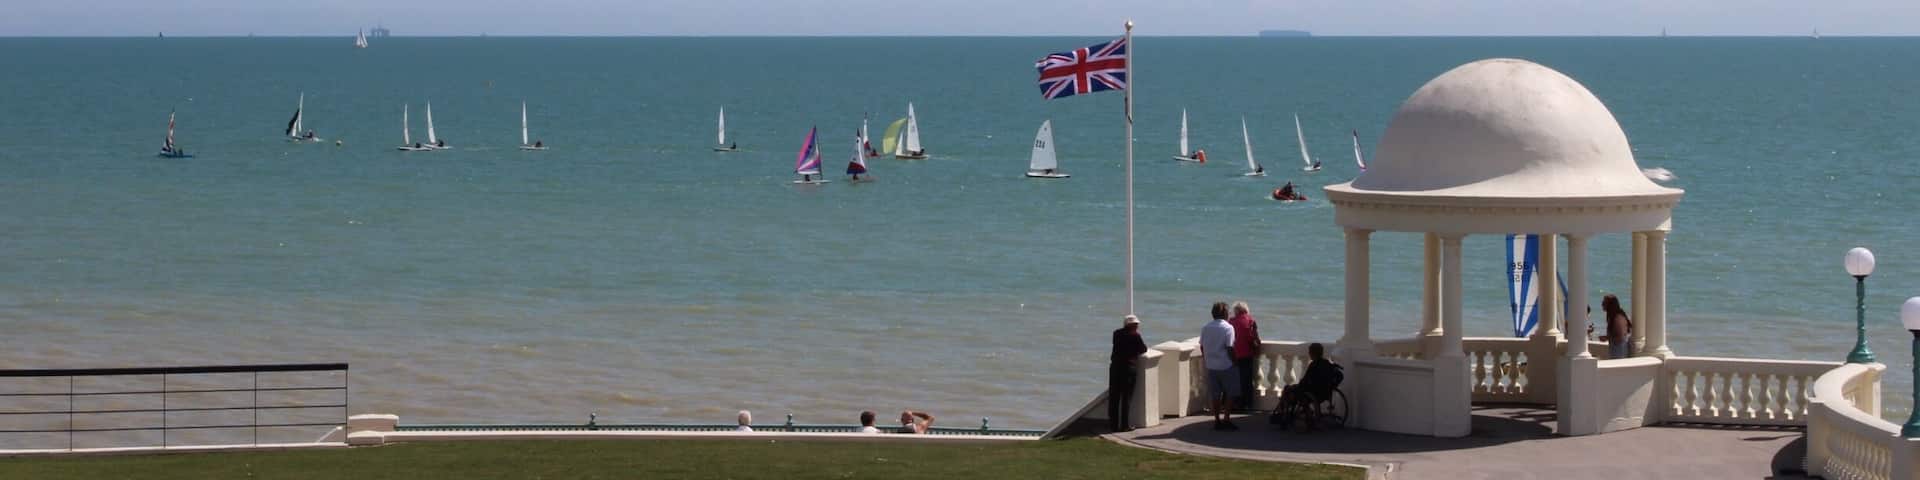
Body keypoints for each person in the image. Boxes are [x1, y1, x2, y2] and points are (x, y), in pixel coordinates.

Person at [1276, 343, 1344, 427]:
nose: (1309, 353)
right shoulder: (1327, 363)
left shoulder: (1314, 365)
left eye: (1310, 352)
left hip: (1313, 393)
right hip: (1324, 393)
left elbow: (1305, 381)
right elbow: (1339, 375)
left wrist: (1297, 386)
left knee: (1288, 389)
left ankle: (1283, 414)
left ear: (1312, 353)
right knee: (1294, 390)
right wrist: (1332, 386)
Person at [1199, 301, 1238, 430]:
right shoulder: (1228, 328)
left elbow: (1202, 346)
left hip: (1211, 365)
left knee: (1215, 394)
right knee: (1230, 393)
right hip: (1226, 365)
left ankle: (1217, 420)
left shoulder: (1206, 327)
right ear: (1226, 313)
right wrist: (1235, 361)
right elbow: (1230, 348)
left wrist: (1207, 359)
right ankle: (1226, 418)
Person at [1109, 314, 1148, 433]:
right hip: (1128, 368)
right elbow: (1143, 349)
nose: (1137, 327)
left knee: (1114, 396)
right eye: (1135, 325)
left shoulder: (1116, 333)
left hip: (1115, 367)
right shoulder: (1135, 336)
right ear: (1131, 325)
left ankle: (1113, 425)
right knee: (1126, 397)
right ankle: (1124, 425)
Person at [1228, 302, 1262, 409]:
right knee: (1247, 380)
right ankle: (1247, 404)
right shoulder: (1250, 321)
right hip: (1246, 354)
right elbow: (1253, 337)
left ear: (1236, 311)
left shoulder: (1231, 321)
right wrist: (1257, 347)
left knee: (1235, 380)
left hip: (1233, 355)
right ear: (1246, 310)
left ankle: (1235, 403)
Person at [1602, 294, 1633, 359]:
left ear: (1610, 305)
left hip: (1619, 350)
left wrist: (1607, 338)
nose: (1602, 304)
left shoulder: (1618, 317)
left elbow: (1620, 337)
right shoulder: (1613, 316)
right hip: (1616, 349)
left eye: (1604, 302)